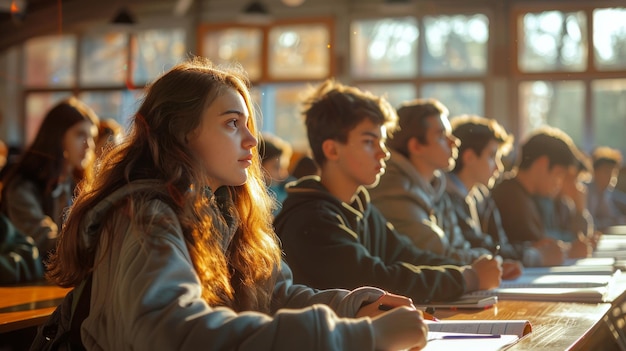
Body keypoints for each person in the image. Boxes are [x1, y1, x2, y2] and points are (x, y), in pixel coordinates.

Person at [45, 58, 428, 351]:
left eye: (248, 125)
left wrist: (355, 307)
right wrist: (360, 337)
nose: (250, 140)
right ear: (182, 132)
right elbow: (174, 333)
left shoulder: (223, 212)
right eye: (232, 123)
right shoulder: (144, 214)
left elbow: (276, 296)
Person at [274, 80, 501, 305]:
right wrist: (467, 278)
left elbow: (408, 255)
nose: (383, 153)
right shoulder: (310, 220)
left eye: (382, 142)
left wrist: (466, 271)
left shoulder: (361, 207)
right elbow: (375, 280)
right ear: (332, 149)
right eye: (369, 142)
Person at [368, 99, 511, 274]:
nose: (454, 142)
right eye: (442, 135)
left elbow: (460, 246)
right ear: (416, 146)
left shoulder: (436, 186)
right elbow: (438, 254)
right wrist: (486, 262)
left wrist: (488, 262)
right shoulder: (394, 189)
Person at [1, 97, 99, 256]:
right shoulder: (23, 184)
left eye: (92, 137)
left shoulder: (71, 182)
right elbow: (44, 242)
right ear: (58, 137)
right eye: (80, 135)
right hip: (24, 279)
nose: (89, 145)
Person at [490, 126, 591, 266]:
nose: (559, 183)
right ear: (542, 164)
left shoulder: (527, 196)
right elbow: (539, 246)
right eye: (559, 174)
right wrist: (568, 251)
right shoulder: (511, 198)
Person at [446, 115, 533, 271]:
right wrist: (531, 254)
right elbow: (478, 244)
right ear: (469, 157)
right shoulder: (446, 198)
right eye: (492, 156)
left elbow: (500, 244)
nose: (498, 168)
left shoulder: (482, 197)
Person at [587, 146, 626, 231]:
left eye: (613, 173)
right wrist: (611, 222)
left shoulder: (607, 193)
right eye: (606, 172)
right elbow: (589, 223)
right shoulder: (586, 191)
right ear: (595, 172)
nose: (610, 177)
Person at [259, 132, 294, 215]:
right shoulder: (260, 198)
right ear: (258, 166)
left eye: (282, 168)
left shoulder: (281, 192)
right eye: (276, 167)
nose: (283, 174)